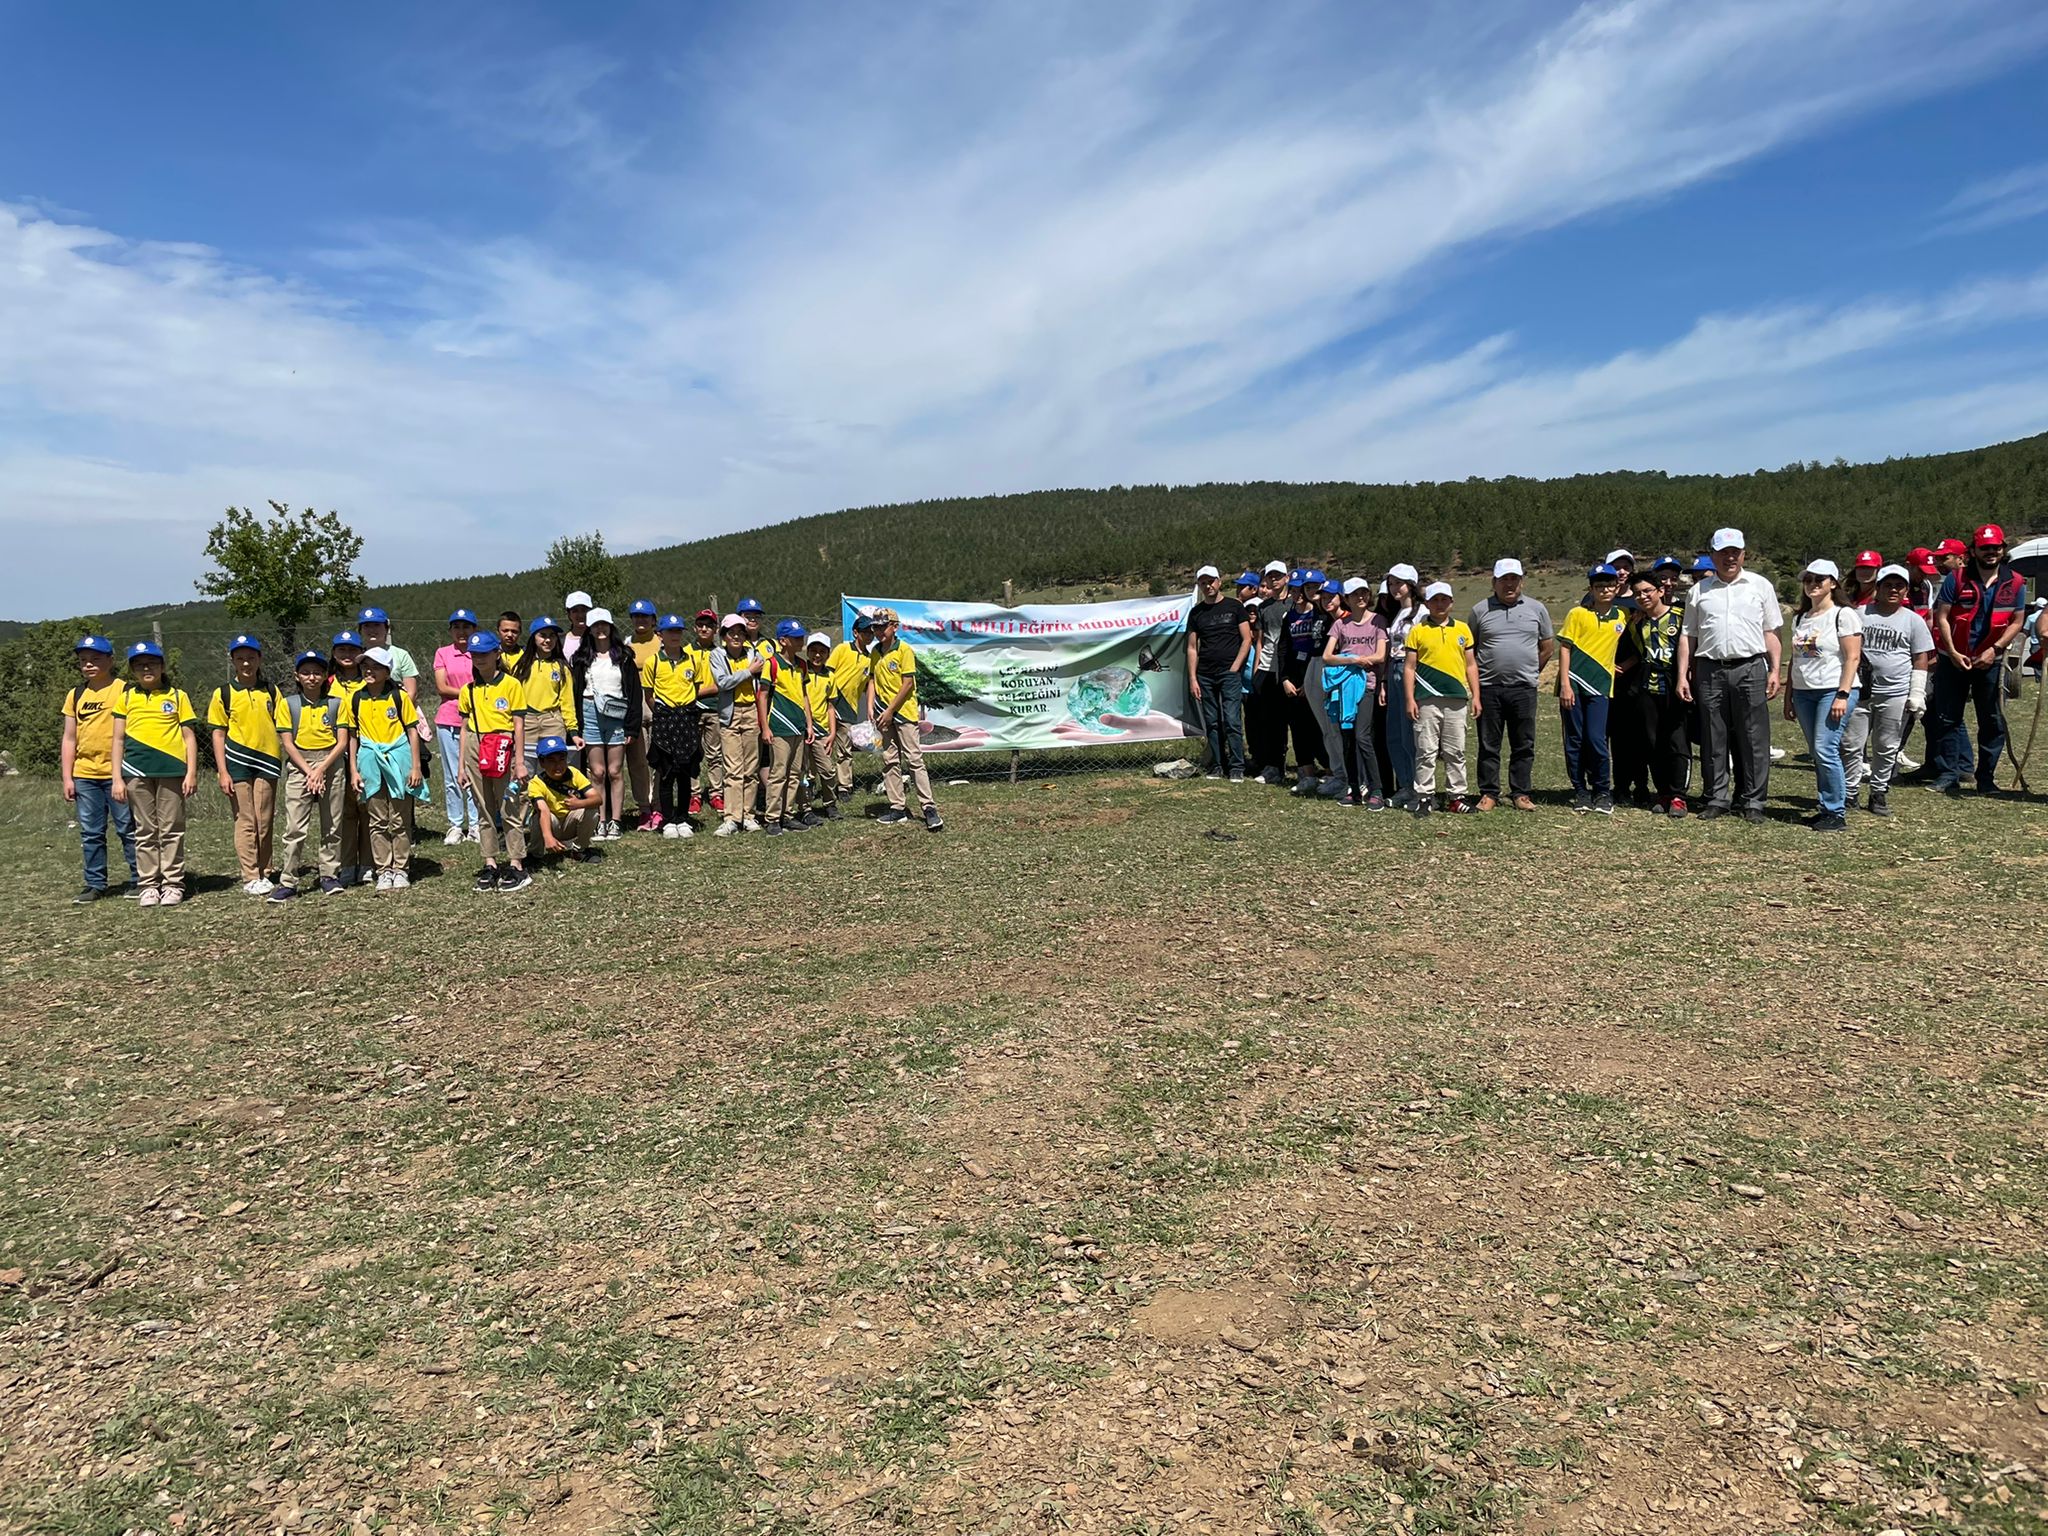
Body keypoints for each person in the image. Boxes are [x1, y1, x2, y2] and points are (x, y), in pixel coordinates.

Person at [1677, 528, 1783, 824]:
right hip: (1710, 669)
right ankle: (1717, 797)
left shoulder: (1760, 586)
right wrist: (1683, 675)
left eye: (1735, 551)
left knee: (1754, 737)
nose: (1730, 557)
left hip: (1750, 666)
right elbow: (1689, 634)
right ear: (1713, 556)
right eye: (1724, 552)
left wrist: (1775, 668)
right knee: (1713, 736)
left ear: (1744, 554)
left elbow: (1771, 631)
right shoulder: (1699, 591)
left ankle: (1753, 801)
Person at [1928, 523, 2028, 796]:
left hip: (1991, 660)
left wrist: (1994, 649)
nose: (1991, 552)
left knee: (1992, 720)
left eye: (1995, 547)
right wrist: (1952, 650)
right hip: (1954, 658)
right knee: (1947, 717)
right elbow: (1942, 617)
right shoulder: (1956, 579)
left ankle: (1986, 778)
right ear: (1973, 551)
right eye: (1984, 548)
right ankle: (1949, 774)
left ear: (2002, 549)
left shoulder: (2016, 582)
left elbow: (2017, 621)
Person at [109, 641, 198, 907]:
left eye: (151, 663)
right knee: (145, 830)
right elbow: (117, 740)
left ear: (162, 666)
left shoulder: (178, 696)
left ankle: (172, 883)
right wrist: (117, 777)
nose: (146, 668)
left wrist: (191, 772)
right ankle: (148, 884)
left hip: (171, 771)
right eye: (139, 664)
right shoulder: (126, 697)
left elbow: (189, 737)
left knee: (171, 829)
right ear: (132, 669)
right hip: (136, 772)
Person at [1841, 564, 1933, 817]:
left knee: (1887, 745)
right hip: (1861, 691)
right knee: (1851, 744)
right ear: (1878, 587)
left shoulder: (1913, 620)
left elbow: (1921, 657)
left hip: (1895, 693)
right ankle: (1849, 791)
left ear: (1905, 590)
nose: (1893, 590)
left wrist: (1917, 692)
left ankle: (1878, 791)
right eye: (1888, 585)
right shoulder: (1859, 613)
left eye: (1899, 586)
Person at [1782, 559, 1864, 831]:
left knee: (1825, 748)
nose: (1813, 584)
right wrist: (1789, 695)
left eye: (1820, 579)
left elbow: (1853, 657)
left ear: (1833, 583)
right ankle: (1825, 806)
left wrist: (1842, 693)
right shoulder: (1800, 619)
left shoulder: (1843, 615)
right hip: (1805, 693)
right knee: (1818, 752)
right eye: (1808, 579)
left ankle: (1835, 812)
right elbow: (1796, 660)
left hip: (1833, 689)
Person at [1468, 558, 1553, 812]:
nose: (1509, 584)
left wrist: (1529, 671)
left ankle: (1521, 793)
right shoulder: (1479, 610)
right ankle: (1489, 792)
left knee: (1523, 743)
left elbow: (1547, 647)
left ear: (1521, 581)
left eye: (1514, 579)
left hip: (1523, 688)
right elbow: (1470, 648)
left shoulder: (1536, 609)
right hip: (1489, 687)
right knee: (1488, 743)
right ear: (1494, 582)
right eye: (1504, 579)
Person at [206, 634, 288, 895]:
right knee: (245, 819)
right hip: (237, 762)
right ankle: (250, 875)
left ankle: (266, 870)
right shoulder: (224, 693)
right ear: (232, 660)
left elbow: (283, 725)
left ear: (259, 659)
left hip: (267, 760)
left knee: (264, 819)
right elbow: (218, 733)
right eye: (240, 658)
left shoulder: (272, 691)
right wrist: (222, 770)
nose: (246, 663)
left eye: (251, 658)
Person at [60, 635, 139, 903]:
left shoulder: (125, 690)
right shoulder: (76, 694)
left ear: (110, 660)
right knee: (91, 832)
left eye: (95, 659)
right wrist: (67, 777)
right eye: (84, 660)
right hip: (85, 775)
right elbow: (69, 738)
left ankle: (140, 878)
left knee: (128, 827)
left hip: (119, 773)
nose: (89, 664)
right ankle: (95, 883)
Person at [340, 647, 425, 892]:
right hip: (369, 763)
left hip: (398, 761)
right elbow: (353, 737)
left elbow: (412, 731)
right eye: (365, 666)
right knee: (377, 820)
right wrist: (354, 770)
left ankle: (401, 868)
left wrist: (416, 766)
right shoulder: (355, 698)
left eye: (376, 666)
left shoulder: (398, 697)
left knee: (399, 818)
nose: (369, 670)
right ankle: (383, 870)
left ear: (387, 672)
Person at [270, 649, 349, 901]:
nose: (312, 677)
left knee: (332, 823)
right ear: (297, 675)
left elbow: (342, 742)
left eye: (317, 672)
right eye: (306, 672)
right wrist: (309, 771)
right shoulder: (288, 704)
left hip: (331, 762)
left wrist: (321, 769)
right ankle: (288, 880)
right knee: (295, 826)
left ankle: (329, 875)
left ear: (325, 676)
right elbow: (287, 743)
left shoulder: (336, 703)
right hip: (300, 765)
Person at [457, 632, 532, 891]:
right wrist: (461, 766)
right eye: (474, 654)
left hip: (503, 744)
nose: (479, 659)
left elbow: (519, 724)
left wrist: (519, 761)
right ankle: (489, 862)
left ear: (496, 654)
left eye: (484, 653)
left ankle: (516, 863)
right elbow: (464, 728)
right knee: (483, 808)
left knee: (508, 806)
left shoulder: (511, 685)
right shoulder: (468, 690)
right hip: (477, 746)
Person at [1557, 564, 1629, 815]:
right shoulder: (1577, 614)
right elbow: (1565, 648)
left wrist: (1624, 665)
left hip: (1600, 687)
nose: (1605, 590)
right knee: (1574, 741)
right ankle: (1580, 790)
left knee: (1597, 740)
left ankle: (1602, 791)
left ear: (1617, 587)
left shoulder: (1623, 615)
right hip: (1573, 685)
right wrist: (1565, 684)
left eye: (1609, 585)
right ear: (1591, 589)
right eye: (1599, 586)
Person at [1403, 580, 1480, 816]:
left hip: (1456, 697)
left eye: (1444, 599)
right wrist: (1409, 699)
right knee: (1425, 750)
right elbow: (1409, 667)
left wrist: (1476, 696)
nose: (1440, 604)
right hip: (1426, 698)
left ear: (1451, 602)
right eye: (1435, 600)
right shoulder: (1418, 630)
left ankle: (1457, 797)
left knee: (1455, 750)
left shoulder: (1463, 629)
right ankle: (1425, 797)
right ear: (1427, 603)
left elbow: (1470, 664)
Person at [866, 607, 943, 831]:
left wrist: (890, 710)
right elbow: (871, 680)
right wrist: (871, 705)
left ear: (894, 627)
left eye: (883, 626)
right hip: (883, 714)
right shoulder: (875, 652)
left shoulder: (904, 651)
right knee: (889, 760)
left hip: (903, 713)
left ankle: (929, 808)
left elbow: (907, 683)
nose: (879, 631)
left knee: (914, 760)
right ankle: (897, 807)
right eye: (876, 627)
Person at [1623, 571, 1691, 816]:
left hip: (1675, 687)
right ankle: (1663, 793)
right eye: (1637, 593)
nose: (1642, 596)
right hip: (1647, 688)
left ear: (1660, 591)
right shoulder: (1636, 623)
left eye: (1647, 591)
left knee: (1676, 742)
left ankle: (1679, 796)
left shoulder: (1681, 616)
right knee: (1652, 743)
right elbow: (1638, 653)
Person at [570, 608, 641, 839]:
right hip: (590, 714)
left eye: (604, 625)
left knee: (615, 771)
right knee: (597, 772)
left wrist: (632, 726)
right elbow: (575, 692)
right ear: (589, 629)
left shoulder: (624, 657)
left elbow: (634, 692)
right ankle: (599, 820)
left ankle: (616, 821)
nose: (600, 629)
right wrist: (577, 727)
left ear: (611, 627)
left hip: (617, 715)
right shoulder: (580, 660)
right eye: (595, 625)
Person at [1320, 577, 1387, 807]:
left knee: (1363, 737)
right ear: (1346, 599)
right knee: (1347, 739)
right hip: (1343, 688)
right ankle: (1354, 789)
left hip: (1367, 686)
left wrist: (1358, 661)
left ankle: (1376, 789)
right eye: (1355, 594)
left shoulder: (1378, 621)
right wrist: (1353, 660)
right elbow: (1328, 656)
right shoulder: (1340, 625)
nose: (1361, 597)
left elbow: (1380, 656)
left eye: (1364, 593)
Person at [1185, 564, 1251, 781]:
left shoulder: (1235, 607)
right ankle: (1217, 765)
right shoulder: (1196, 613)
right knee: (1212, 721)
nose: (1207, 585)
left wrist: (1235, 667)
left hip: (1229, 673)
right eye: (1203, 583)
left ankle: (1237, 766)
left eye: (1210, 581)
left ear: (1219, 582)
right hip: (1205, 674)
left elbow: (1247, 639)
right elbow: (1193, 647)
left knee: (1232, 719)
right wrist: (1193, 678)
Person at [643, 613, 702, 838]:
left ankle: (683, 817)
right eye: (670, 631)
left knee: (685, 772)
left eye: (678, 631)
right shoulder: (653, 662)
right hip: (665, 720)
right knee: (666, 772)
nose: (675, 635)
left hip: (686, 719)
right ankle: (668, 819)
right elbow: (649, 695)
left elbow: (695, 689)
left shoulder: (693, 660)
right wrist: (663, 712)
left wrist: (683, 709)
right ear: (661, 635)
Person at [712, 615, 767, 836]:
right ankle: (732, 817)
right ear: (724, 636)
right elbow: (722, 682)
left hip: (752, 712)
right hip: (730, 714)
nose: (736, 636)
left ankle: (749, 814)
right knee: (733, 768)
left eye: (740, 632)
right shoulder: (717, 655)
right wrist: (748, 672)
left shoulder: (754, 654)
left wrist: (750, 672)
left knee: (751, 768)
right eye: (731, 632)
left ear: (745, 636)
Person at [761, 618, 815, 835]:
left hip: (798, 727)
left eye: (801, 636)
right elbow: (763, 696)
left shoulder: (801, 665)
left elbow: (804, 695)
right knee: (778, 772)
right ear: (783, 641)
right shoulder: (771, 663)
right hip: (780, 727)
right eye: (795, 638)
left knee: (795, 773)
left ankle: (788, 814)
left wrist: (809, 724)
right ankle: (772, 818)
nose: (800, 641)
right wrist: (765, 727)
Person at [431, 609, 481, 843]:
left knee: (473, 772)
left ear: (474, 630)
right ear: (451, 630)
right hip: (449, 719)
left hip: (477, 720)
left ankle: (475, 823)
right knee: (452, 774)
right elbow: (442, 686)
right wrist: (470, 692)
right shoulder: (443, 653)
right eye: (457, 627)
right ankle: (455, 824)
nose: (462, 632)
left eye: (467, 627)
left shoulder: (480, 653)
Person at [1280, 569, 1332, 794]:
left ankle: (1331, 770)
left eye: (1300, 589)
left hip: (1314, 674)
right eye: (1292, 590)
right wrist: (1284, 679)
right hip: (1293, 677)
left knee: (1320, 727)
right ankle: (1307, 774)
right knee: (1298, 727)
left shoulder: (1320, 615)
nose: (1297, 594)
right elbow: (1283, 650)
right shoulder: (1288, 617)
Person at [1378, 564, 1424, 807]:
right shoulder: (1397, 613)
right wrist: (1384, 681)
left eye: (1400, 583)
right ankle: (1405, 785)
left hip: (1411, 673)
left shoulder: (1422, 613)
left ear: (1412, 585)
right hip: (1394, 671)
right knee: (1394, 733)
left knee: (1410, 735)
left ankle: (1420, 787)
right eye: (1392, 583)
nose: (1395, 587)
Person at [328, 630, 372, 884]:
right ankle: (346, 864)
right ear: (334, 653)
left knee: (366, 807)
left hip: (364, 751)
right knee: (343, 812)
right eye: (342, 650)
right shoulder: (328, 681)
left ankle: (367, 862)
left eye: (352, 650)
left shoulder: (368, 680)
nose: (347, 654)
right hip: (335, 752)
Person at [1247, 560, 1292, 781]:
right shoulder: (1263, 607)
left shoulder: (1294, 604)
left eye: (1277, 575)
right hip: (1266, 668)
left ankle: (1308, 767)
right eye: (1270, 576)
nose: (1273, 579)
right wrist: (1257, 670)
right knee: (1271, 721)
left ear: (1287, 578)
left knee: (1296, 720)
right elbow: (1260, 641)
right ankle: (1274, 766)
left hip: (1288, 670)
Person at [527, 735, 603, 862]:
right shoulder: (536, 783)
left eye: (561, 759)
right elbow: (543, 810)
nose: (557, 765)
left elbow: (597, 799)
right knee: (537, 815)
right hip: (551, 823)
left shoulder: (574, 773)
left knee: (592, 810)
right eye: (551, 760)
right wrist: (548, 837)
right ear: (542, 762)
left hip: (570, 822)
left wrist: (579, 803)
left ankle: (580, 850)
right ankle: (535, 854)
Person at [515, 617, 575, 774]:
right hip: (526, 721)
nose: (548, 640)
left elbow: (567, 702)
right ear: (533, 637)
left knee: (553, 769)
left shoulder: (561, 667)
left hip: (552, 721)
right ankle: (526, 799)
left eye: (552, 636)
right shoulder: (521, 665)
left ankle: (550, 799)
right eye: (543, 635)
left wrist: (572, 730)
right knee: (524, 771)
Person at [826, 616, 875, 805]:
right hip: (829, 703)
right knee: (821, 747)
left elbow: (867, 685)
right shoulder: (842, 649)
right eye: (865, 632)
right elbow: (827, 672)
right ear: (855, 633)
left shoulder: (869, 659)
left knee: (845, 749)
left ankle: (844, 786)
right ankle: (815, 783)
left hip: (849, 709)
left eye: (871, 632)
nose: (869, 635)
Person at [624, 598, 660, 826]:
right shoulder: (626, 645)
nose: (640, 620)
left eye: (645, 616)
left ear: (654, 620)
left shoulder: (661, 644)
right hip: (635, 707)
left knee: (657, 758)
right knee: (637, 761)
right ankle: (643, 807)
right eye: (636, 616)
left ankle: (658, 803)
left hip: (656, 704)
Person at [688, 609, 725, 814]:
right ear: (695, 628)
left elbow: (722, 683)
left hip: (713, 708)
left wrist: (697, 692)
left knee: (715, 754)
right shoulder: (686, 651)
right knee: (693, 753)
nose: (704, 629)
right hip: (691, 710)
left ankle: (716, 793)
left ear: (715, 630)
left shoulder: (720, 653)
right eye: (701, 625)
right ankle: (694, 794)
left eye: (709, 626)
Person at [801, 633, 840, 823]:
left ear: (828, 653)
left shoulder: (830, 676)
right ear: (807, 652)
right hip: (801, 728)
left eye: (822, 652)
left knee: (827, 769)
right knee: (803, 770)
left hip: (822, 730)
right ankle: (805, 807)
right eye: (814, 651)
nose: (817, 655)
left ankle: (830, 803)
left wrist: (832, 732)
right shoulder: (800, 672)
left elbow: (831, 707)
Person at [560, 591, 593, 661]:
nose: (580, 615)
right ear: (569, 614)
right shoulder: (559, 642)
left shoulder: (600, 639)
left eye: (584, 610)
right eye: (575, 611)